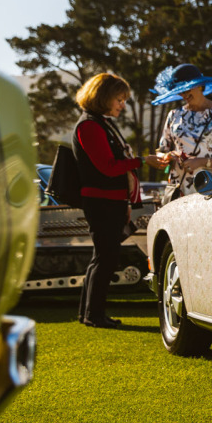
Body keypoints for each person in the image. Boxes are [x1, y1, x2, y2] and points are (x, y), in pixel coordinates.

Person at [72, 74, 166, 328]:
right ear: (103, 97)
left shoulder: (100, 123)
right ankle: (94, 315)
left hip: (110, 200)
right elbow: (108, 167)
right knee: (105, 257)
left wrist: (124, 202)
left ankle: (89, 313)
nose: (123, 105)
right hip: (101, 201)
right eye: (119, 100)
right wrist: (142, 161)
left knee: (102, 257)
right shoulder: (90, 125)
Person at [150, 63, 212, 203]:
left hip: (208, 189)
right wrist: (169, 156)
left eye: (187, 89)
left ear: (199, 85)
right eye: (180, 91)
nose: (184, 95)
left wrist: (200, 162)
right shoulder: (174, 115)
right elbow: (161, 151)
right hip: (178, 189)